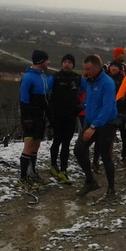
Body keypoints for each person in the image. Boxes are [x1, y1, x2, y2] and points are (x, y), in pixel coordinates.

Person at [73, 55, 119, 197]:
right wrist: (83, 106)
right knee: (79, 150)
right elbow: (91, 99)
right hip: (91, 121)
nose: (85, 72)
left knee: (105, 155)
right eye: (84, 69)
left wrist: (93, 127)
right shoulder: (89, 81)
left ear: (97, 68)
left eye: (88, 69)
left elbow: (108, 108)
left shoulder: (107, 83)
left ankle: (111, 188)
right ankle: (90, 181)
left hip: (106, 124)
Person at [18, 50, 53, 190]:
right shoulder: (28, 78)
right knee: (29, 146)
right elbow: (23, 99)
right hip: (31, 117)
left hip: (41, 116)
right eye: (46, 60)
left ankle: (31, 173)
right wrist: (27, 118)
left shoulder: (44, 76)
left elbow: (46, 98)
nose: (49, 62)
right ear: (40, 61)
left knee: (36, 146)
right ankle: (22, 178)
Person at [48, 54, 80, 184]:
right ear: (61, 64)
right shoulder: (55, 77)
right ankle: (53, 165)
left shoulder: (77, 78)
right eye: (65, 62)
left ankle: (63, 170)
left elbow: (86, 93)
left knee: (66, 143)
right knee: (57, 140)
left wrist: (82, 106)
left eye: (70, 62)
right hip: (57, 116)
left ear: (73, 65)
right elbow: (47, 94)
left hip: (71, 116)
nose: (67, 64)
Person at [92, 61, 126, 172]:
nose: (113, 68)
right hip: (103, 110)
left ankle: (109, 158)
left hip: (116, 111)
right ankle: (96, 160)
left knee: (110, 137)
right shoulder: (105, 78)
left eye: (116, 66)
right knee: (99, 136)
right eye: (112, 66)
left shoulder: (122, 80)